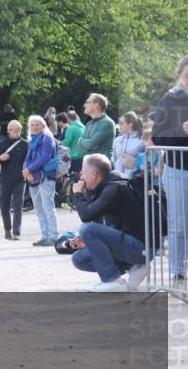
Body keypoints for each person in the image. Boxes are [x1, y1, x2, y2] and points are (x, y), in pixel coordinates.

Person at [67, 154, 150, 292]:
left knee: (87, 229)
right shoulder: (103, 186)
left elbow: (86, 216)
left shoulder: (115, 188)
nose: (81, 174)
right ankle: (134, 266)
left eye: (83, 171)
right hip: (128, 243)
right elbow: (97, 219)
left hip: (141, 247)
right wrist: (87, 241)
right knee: (79, 259)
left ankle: (112, 280)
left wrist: (78, 194)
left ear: (94, 174)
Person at [151, 55, 188, 283]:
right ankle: (177, 271)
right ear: (180, 74)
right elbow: (157, 135)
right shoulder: (170, 99)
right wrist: (182, 131)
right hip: (179, 168)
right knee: (179, 222)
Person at [22, 115, 59, 247]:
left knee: (48, 207)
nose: (34, 127)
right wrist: (26, 171)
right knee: (39, 208)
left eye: (37, 124)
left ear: (43, 126)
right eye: (32, 125)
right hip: (33, 177)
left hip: (46, 176)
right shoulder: (31, 141)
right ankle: (44, 236)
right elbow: (27, 158)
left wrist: (29, 169)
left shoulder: (47, 138)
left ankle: (53, 236)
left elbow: (45, 157)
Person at [0, 120, 28, 240]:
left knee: (18, 206)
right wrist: (0, 158)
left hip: (20, 179)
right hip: (5, 179)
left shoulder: (25, 144)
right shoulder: (2, 143)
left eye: (19, 130)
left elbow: (28, 160)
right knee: (4, 206)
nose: (18, 133)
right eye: (15, 131)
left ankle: (16, 233)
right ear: (9, 131)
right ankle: (7, 230)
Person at [77, 93, 116, 165]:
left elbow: (90, 144)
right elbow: (79, 147)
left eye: (88, 102)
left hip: (101, 169)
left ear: (97, 104)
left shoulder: (107, 123)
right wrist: (85, 143)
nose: (84, 105)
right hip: (88, 166)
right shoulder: (89, 124)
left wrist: (83, 142)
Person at [111, 112, 145, 179]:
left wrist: (135, 162)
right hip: (117, 179)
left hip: (134, 181)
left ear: (130, 125)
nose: (119, 125)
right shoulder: (117, 140)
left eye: (122, 123)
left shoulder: (142, 140)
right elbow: (114, 158)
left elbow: (149, 160)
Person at [62, 110, 85, 178]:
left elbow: (66, 143)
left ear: (68, 118)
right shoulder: (83, 126)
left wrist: (60, 143)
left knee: (71, 176)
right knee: (79, 176)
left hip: (73, 155)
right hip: (82, 154)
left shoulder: (71, 128)